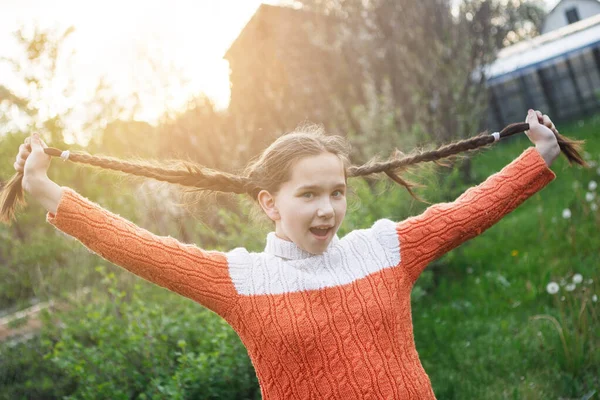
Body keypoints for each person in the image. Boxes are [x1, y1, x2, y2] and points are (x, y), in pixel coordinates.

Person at [10, 110, 565, 399]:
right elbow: (139, 247)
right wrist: (46, 193)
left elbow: (466, 212)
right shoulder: (243, 280)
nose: (327, 209)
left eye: (337, 192)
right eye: (308, 195)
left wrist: (537, 157)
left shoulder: (382, 249)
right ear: (269, 203)